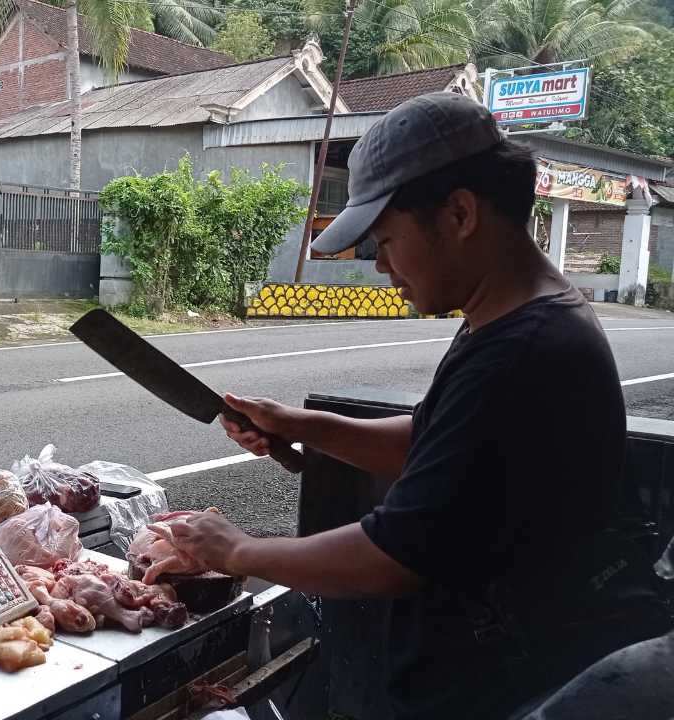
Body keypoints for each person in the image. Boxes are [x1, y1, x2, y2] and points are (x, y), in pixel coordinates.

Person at [161, 93, 670, 719]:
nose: (382, 267)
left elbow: (391, 555)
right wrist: (302, 425)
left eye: (387, 240)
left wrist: (236, 550)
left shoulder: (522, 353)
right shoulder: (513, 316)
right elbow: (436, 445)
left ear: (459, 213)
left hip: (503, 686)